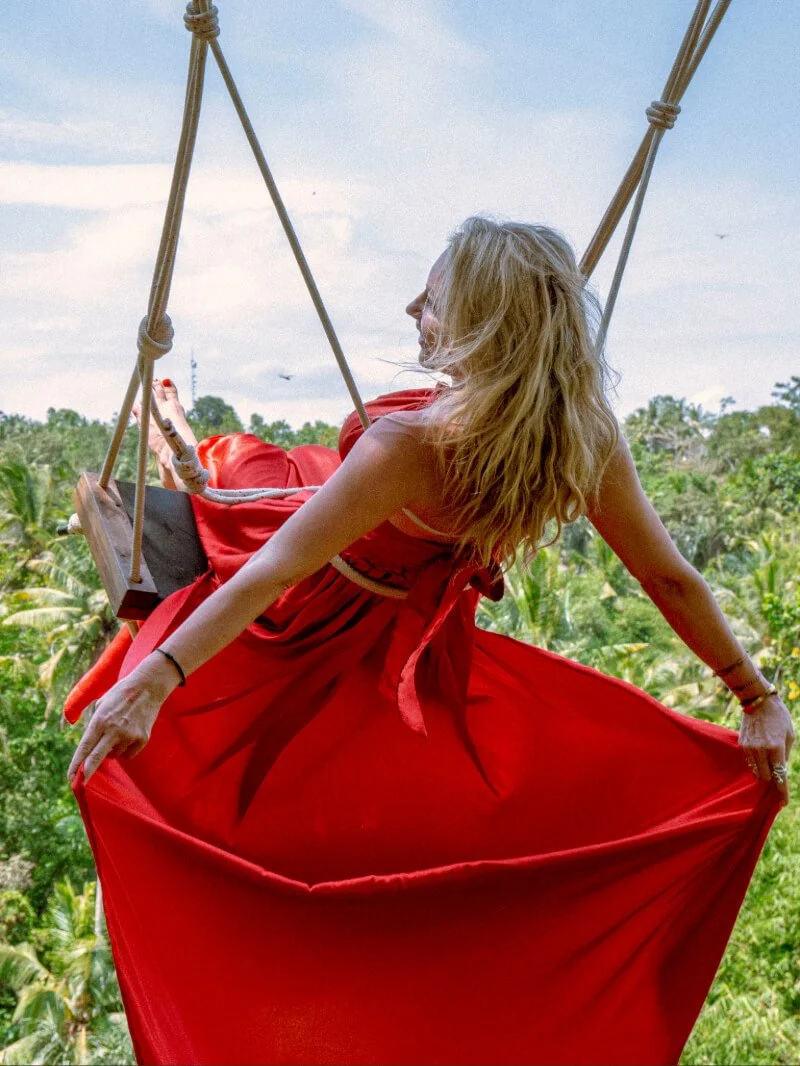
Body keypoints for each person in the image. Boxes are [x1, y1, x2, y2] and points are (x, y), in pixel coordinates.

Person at [66, 217, 793, 1066]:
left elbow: (274, 574)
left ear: (485, 318)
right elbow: (669, 578)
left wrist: (152, 683)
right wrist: (757, 698)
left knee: (253, 486)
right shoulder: (582, 436)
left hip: (320, 611)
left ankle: (197, 452)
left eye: (435, 297)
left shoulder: (409, 445)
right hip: (373, 558)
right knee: (268, 468)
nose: (413, 306)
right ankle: (195, 447)